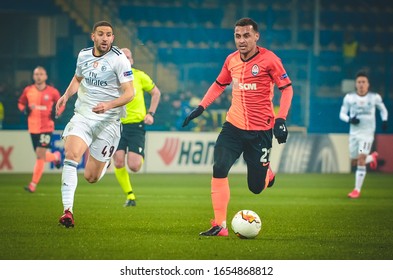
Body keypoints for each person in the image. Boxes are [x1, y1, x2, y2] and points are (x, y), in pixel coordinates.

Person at [182, 18, 293, 236]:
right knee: (219, 167)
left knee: (256, 188)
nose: (241, 40)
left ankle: (267, 174)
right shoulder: (231, 60)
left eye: (246, 36)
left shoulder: (270, 60)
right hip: (233, 126)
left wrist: (281, 119)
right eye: (237, 36)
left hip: (260, 131)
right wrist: (201, 107)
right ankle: (220, 225)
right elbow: (219, 84)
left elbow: (287, 89)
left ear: (256, 36)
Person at [55, 21, 135, 228]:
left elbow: (130, 93)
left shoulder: (119, 60)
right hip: (83, 115)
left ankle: (103, 163)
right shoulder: (83, 56)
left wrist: (108, 105)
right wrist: (65, 96)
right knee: (71, 155)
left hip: (109, 121)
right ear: (93, 36)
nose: (105, 38)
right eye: (101, 34)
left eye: (109, 34)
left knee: (91, 177)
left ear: (112, 38)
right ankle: (67, 211)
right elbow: (77, 78)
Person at [113, 48, 161, 207]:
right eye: (123, 57)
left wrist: (151, 114)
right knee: (118, 161)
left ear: (132, 61)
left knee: (134, 166)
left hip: (136, 126)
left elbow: (156, 93)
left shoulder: (139, 76)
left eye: (129, 57)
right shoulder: (110, 77)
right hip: (117, 125)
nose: (126, 60)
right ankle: (130, 195)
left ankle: (139, 154)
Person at [339, 71, 388, 199]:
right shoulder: (349, 98)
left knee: (361, 159)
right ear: (356, 84)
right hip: (354, 133)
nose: (361, 84)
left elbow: (383, 110)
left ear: (368, 84)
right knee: (354, 161)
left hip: (366, 134)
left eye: (363, 82)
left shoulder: (374, 97)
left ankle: (356, 190)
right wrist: (350, 119)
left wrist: (384, 120)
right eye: (359, 82)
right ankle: (372, 158)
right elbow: (342, 114)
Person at [17, 66, 63, 193]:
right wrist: (25, 109)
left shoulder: (52, 92)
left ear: (46, 76)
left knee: (39, 156)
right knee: (40, 155)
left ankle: (33, 184)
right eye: (36, 74)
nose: (38, 76)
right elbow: (20, 103)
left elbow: (62, 103)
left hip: (47, 127)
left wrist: (57, 113)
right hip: (33, 127)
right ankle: (55, 156)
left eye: (41, 74)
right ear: (33, 76)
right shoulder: (28, 90)